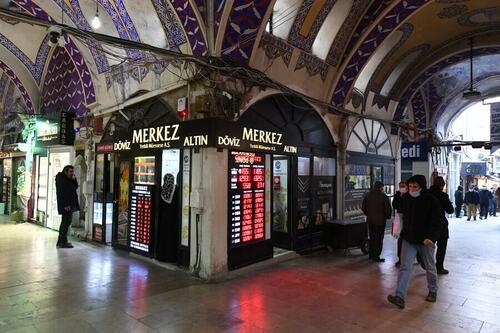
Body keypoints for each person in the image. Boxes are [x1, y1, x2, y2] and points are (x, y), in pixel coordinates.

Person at [387, 175, 442, 309]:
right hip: (409, 239)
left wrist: (431, 237)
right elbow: (400, 214)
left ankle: (433, 290)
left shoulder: (430, 200)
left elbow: (437, 221)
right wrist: (397, 230)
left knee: (430, 266)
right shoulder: (405, 198)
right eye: (410, 186)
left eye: (415, 187)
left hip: (425, 240)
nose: (412, 189)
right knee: (405, 267)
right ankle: (399, 296)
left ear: (421, 186)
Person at [429, 177, 454, 275]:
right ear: (442, 185)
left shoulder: (426, 194)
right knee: (442, 246)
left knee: (428, 246)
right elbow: (450, 210)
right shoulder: (443, 196)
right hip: (440, 224)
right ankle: (439, 267)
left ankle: (426, 264)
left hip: (428, 224)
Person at [362, 181, 392, 262]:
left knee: (372, 237)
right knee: (378, 239)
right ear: (381, 187)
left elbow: (363, 208)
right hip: (380, 221)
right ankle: (376, 256)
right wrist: (387, 217)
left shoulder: (367, 195)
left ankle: (371, 255)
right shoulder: (384, 197)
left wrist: (369, 215)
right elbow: (388, 210)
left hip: (370, 221)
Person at [55, 165, 80, 248]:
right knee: (66, 222)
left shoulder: (68, 179)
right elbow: (62, 193)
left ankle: (61, 241)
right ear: (65, 172)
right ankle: (63, 241)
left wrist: (74, 179)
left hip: (70, 204)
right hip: (66, 205)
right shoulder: (61, 180)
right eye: (70, 172)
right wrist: (65, 205)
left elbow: (75, 187)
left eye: (73, 171)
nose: (72, 173)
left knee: (66, 222)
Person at [392, 181, 407, 267]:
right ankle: (400, 258)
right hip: (399, 217)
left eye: (403, 186)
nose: (402, 188)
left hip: (407, 218)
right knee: (400, 238)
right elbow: (394, 205)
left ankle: (417, 257)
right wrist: (399, 197)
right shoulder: (397, 195)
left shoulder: (409, 195)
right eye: (400, 186)